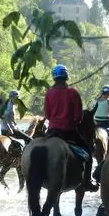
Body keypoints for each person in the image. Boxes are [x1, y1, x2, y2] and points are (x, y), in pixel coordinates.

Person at [43, 64, 97, 192]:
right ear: (66, 76)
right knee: (88, 152)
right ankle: (87, 182)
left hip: (52, 131)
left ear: (54, 77)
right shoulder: (73, 92)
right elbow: (79, 116)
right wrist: (73, 121)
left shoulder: (49, 93)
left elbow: (47, 115)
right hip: (69, 131)